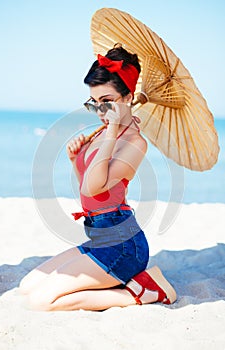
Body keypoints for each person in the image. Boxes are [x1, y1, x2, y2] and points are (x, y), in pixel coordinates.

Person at [19, 44, 177, 311]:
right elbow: (88, 188)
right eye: (95, 102)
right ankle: (118, 281)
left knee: (41, 302)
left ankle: (143, 293)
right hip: (99, 237)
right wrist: (75, 161)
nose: (101, 111)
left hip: (123, 246)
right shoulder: (103, 134)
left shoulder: (134, 143)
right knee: (28, 286)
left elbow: (95, 188)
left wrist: (114, 129)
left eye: (107, 101)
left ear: (127, 98)